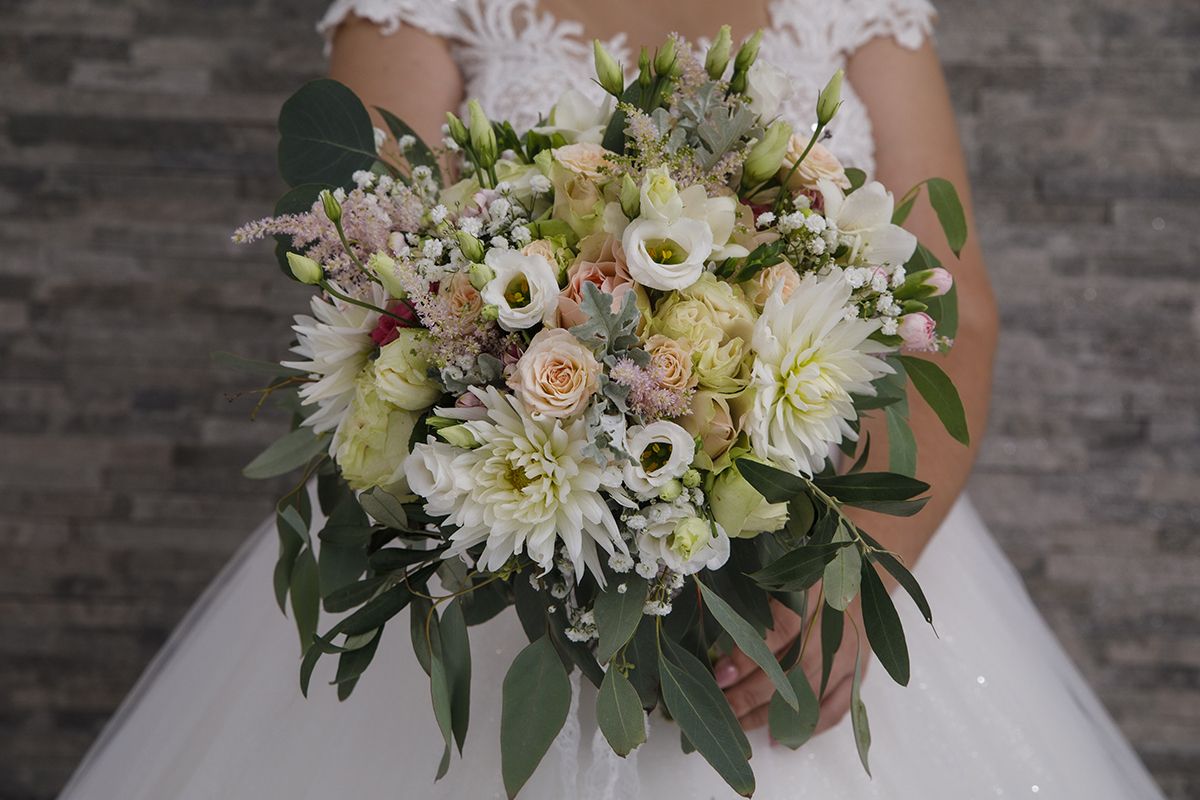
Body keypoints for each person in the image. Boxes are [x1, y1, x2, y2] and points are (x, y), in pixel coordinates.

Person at [55, 1, 1168, 798]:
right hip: (499, 549)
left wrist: (860, 576)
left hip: (812, 553)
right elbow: (378, 278)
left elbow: (958, 313)